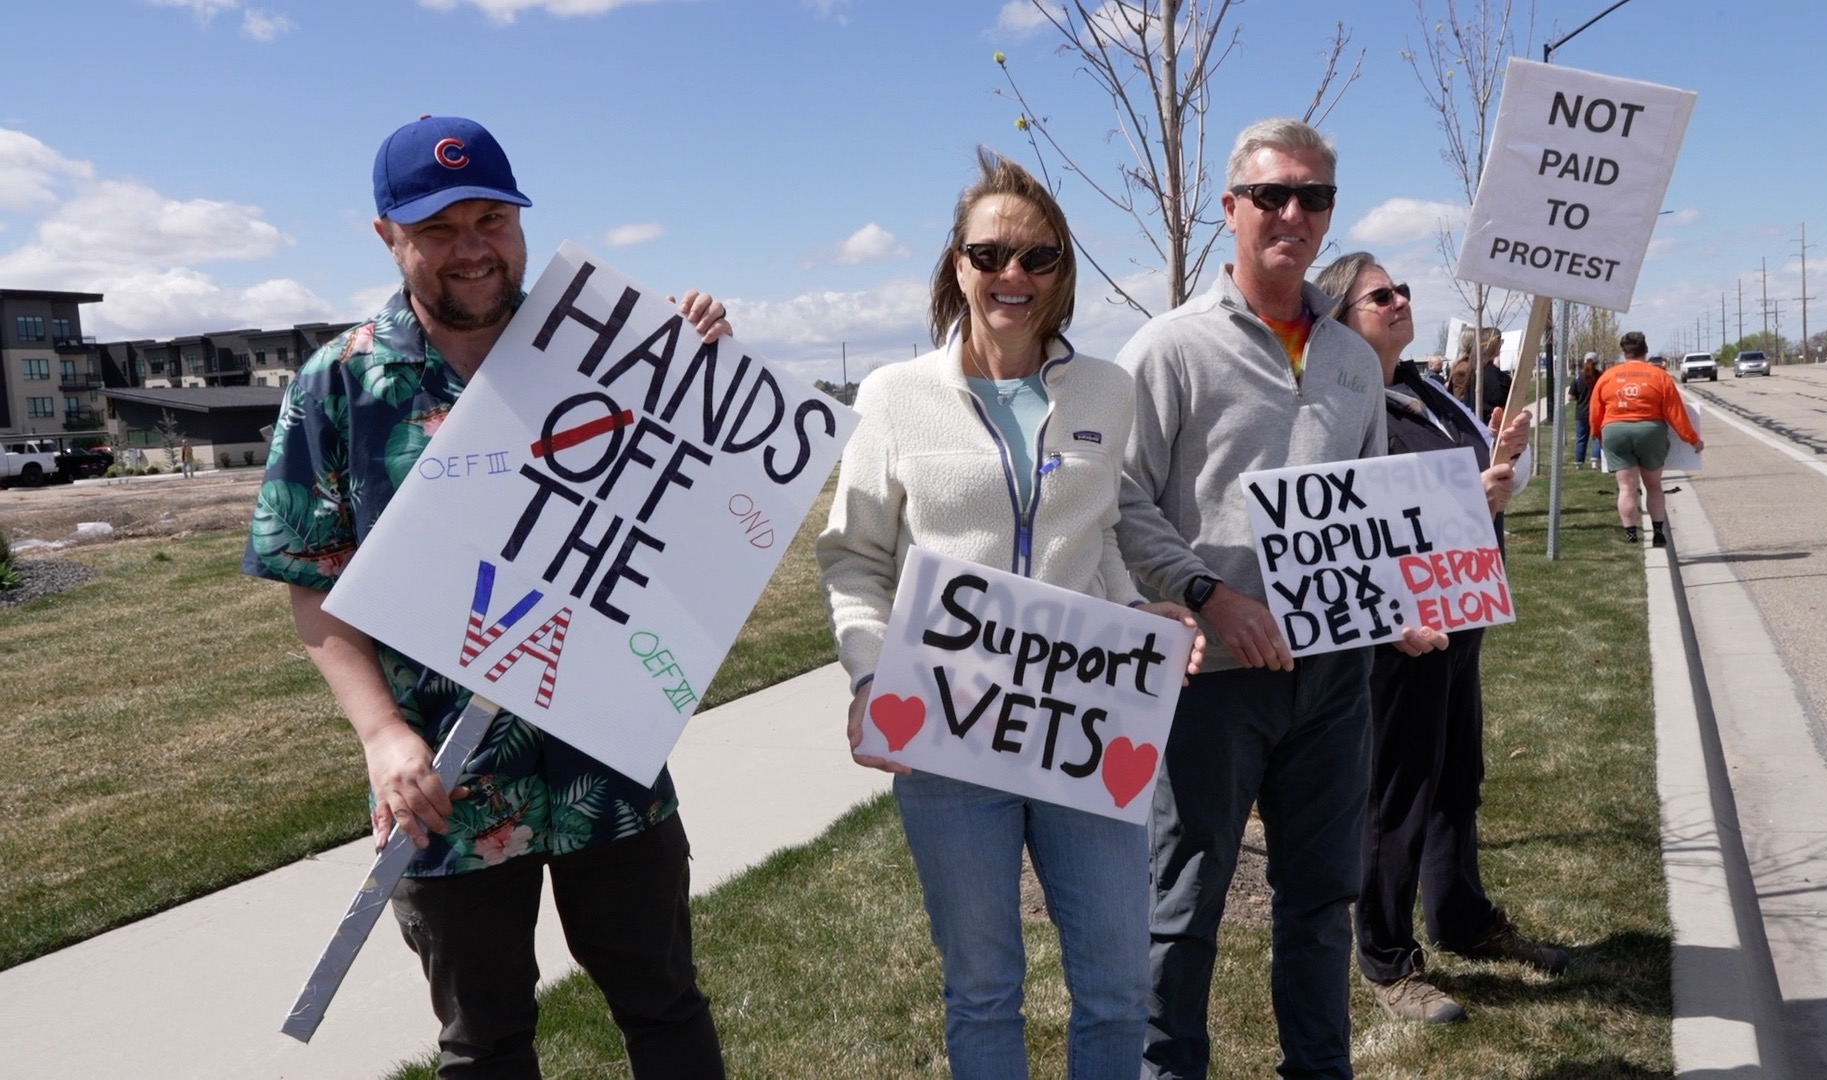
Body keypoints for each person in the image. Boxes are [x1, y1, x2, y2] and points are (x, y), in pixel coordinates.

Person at [242, 115, 731, 1079]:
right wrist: (383, 736)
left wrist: (695, 360)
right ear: (389, 236)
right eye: (440, 229)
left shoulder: (600, 352)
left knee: (666, 1009)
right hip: (447, 786)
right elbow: (312, 586)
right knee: (486, 1043)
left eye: (492, 221)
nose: (473, 250)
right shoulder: (338, 387)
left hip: (608, 764)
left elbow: (700, 491)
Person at [816, 148, 1203, 1080]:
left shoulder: (1107, 391)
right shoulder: (894, 398)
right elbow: (855, 560)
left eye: (1038, 257)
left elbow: (1099, 536)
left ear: (1062, 272)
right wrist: (872, 675)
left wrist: (1136, 612)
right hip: (948, 731)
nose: (1013, 276)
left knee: (1115, 984)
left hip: (1086, 718)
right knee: (984, 988)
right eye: (991, 256)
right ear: (958, 265)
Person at [1114, 117, 1444, 1080]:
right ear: (1231, 210)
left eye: (1315, 197)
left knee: (1319, 902)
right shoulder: (1168, 348)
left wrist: (1399, 605)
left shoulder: (1350, 359)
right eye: (1272, 195)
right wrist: (1207, 594)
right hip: (1210, 681)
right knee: (1182, 908)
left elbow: (1373, 505)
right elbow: (1123, 501)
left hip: (1334, 679)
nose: (1293, 214)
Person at [1316, 252, 1571, 1026]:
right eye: (1379, 296)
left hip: (1460, 615)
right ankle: (1387, 958)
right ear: (1341, 319)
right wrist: (1468, 494)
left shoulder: (1427, 391)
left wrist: (1506, 461)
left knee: (1458, 775)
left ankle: (1460, 915)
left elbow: (1486, 493)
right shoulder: (1342, 405)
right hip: (1399, 630)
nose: (1399, 301)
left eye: (1401, 290)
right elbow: (1349, 518)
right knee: (1397, 792)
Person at [1589, 330, 1704, 546]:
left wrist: (1597, 435)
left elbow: (1595, 411)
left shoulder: (1608, 376)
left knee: (1626, 487)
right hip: (1650, 431)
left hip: (1615, 431)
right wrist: (1692, 439)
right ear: (1646, 351)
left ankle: (1631, 534)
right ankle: (1658, 532)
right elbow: (1675, 412)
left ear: (1624, 353)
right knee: (1653, 485)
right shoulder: (1659, 376)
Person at [1465, 326, 1511, 425]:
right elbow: (1501, 398)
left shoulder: (1473, 371)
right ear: (1494, 346)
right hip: (1491, 426)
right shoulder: (1493, 374)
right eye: (1500, 342)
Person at [1569, 353, 1602, 468]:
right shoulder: (1600, 377)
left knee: (1581, 439)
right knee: (1596, 437)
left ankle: (1579, 462)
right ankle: (1595, 460)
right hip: (1596, 411)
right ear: (1597, 363)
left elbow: (1571, 397)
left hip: (1581, 412)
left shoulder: (1578, 378)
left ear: (1584, 362)